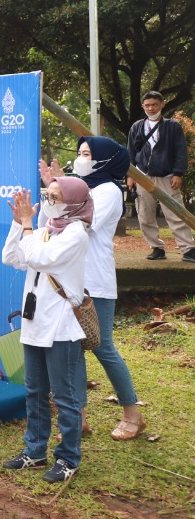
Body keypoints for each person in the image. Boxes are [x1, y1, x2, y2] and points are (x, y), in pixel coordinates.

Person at [46, 137, 145, 441]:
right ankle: (78, 418)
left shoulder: (108, 191)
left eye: (87, 154)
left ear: (106, 159)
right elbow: (59, 219)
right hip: (70, 278)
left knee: (103, 348)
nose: (81, 158)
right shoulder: (83, 188)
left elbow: (80, 222)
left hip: (96, 280)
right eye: (79, 153)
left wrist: (57, 195)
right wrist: (55, 191)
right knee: (73, 347)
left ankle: (133, 414)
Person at [0, 179, 92, 484]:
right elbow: (13, 258)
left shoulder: (76, 234)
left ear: (76, 203)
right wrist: (18, 225)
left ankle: (68, 458)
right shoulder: (44, 230)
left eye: (57, 197)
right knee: (35, 391)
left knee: (65, 396)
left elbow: (40, 258)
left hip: (61, 325)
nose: (50, 201)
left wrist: (28, 225)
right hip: (34, 321)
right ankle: (35, 450)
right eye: (48, 196)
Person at [126, 90, 194, 262]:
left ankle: (188, 248)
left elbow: (180, 151)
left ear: (162, 104)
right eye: (147, 105)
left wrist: (178, 173)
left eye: (154, 105)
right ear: (143, 106)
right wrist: (130, 175)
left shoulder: (173, 126)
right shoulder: (137, 127)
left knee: (176, 213)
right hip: (142, 176)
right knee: (144, 214)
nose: (150, 108)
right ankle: (156, 247)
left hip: (167, 176)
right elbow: (131, 153)